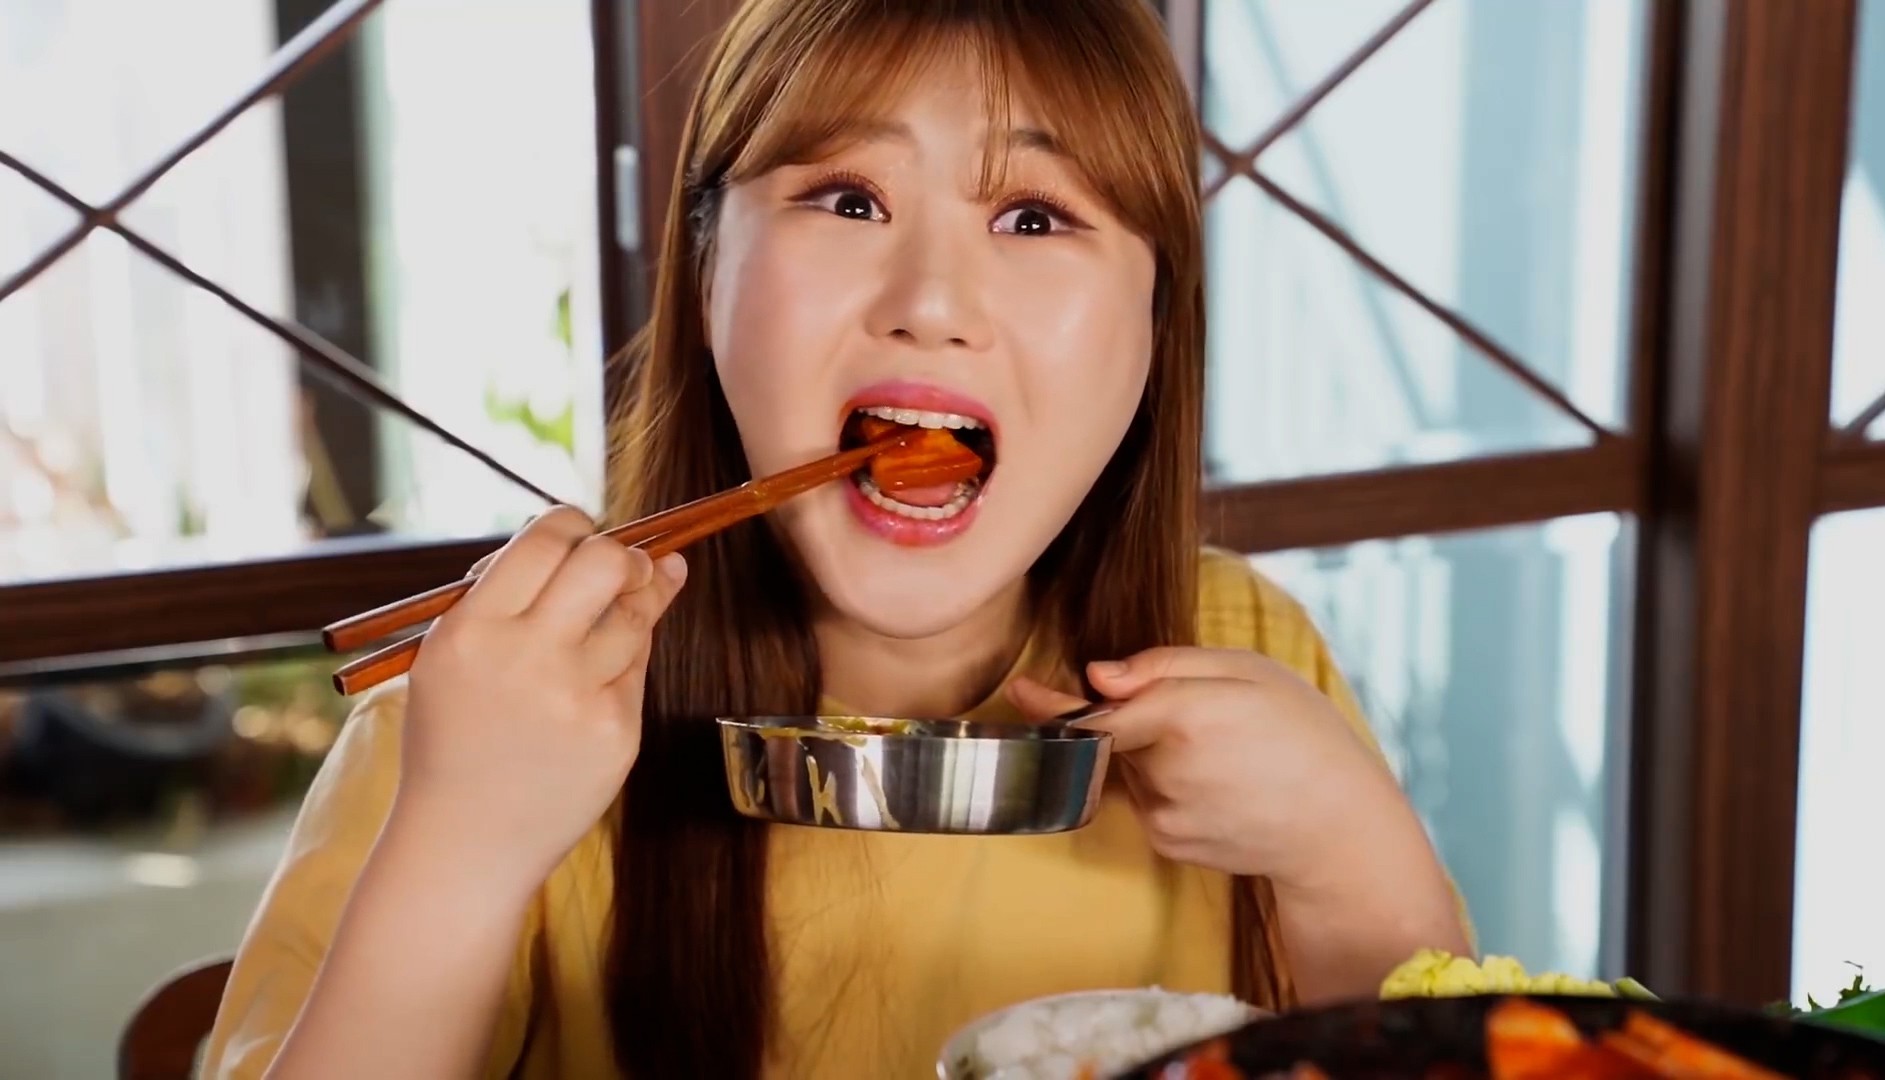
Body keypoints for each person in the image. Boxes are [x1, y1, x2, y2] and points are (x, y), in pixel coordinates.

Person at [203, 0, 1472, 1076]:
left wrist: (1357, 861)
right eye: (849, 198)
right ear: (706, 269)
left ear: (1156, 319)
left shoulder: (1242, 643)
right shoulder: (479, 716)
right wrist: (462, 845)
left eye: (1035, 218)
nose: (932, 304)